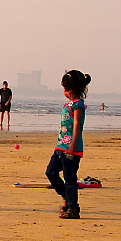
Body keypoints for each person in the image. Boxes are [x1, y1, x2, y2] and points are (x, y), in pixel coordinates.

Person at [45, 70, 91, 220]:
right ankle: (66, 196)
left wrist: (74, 142)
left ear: (74, 89)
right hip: (60, 147)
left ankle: (73, 208)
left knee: (70, 178)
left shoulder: (78, 105)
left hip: (72, 148)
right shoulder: (68, 104)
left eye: (66, 88)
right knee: (51, 172)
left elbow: (77, 124)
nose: (64, 91)